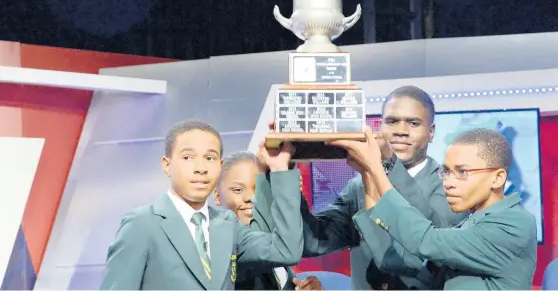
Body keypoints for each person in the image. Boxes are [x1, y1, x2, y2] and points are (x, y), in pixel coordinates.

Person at [253, 86, 467, 290]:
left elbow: (422, 254)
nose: (401, 131)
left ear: (431, 132)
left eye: (413, 123)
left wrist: (386, 164)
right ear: (380, 126)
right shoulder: (358, 185)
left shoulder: (449, 186)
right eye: (392, 122)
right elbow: (313, 241)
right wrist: (283, 168)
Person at [100, 119, 304, 290]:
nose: (201, 168)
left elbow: (286, 251)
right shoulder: (142, 224)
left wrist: (279, 168)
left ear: (220, 166)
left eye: (209, 158)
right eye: (188, 157)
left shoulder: (228, 225)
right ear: (167, 165)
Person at [332, 127, 538, 290]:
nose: (448, 182)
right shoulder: (470, 224)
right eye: (446, 172)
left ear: (497, 177)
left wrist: (377, 167)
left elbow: (425, 240)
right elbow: (409, 265)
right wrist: (368, 174)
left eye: (462, 172)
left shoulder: (513, 225)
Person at [214, 151, 323, 290]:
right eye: (237, 189)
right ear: (217, 196)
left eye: (259, 189)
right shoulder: (224, 247)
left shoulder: (275, 243)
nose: (250, 197)